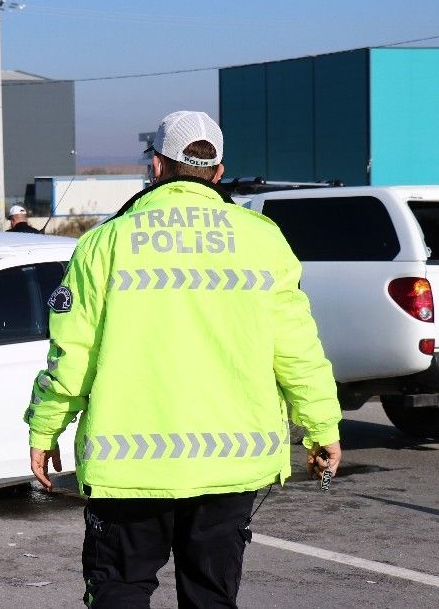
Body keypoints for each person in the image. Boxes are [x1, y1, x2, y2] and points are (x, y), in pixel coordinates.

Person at [25, 111, 342, 608]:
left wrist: (45, 429)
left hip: (128, 469)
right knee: (210, 598)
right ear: (218, 172)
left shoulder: (106, 243)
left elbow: (72, 355)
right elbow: (298, 348)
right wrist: (322, 426)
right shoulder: (262, 239)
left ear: (157, 166)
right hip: (231, 462)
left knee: (120, 590)